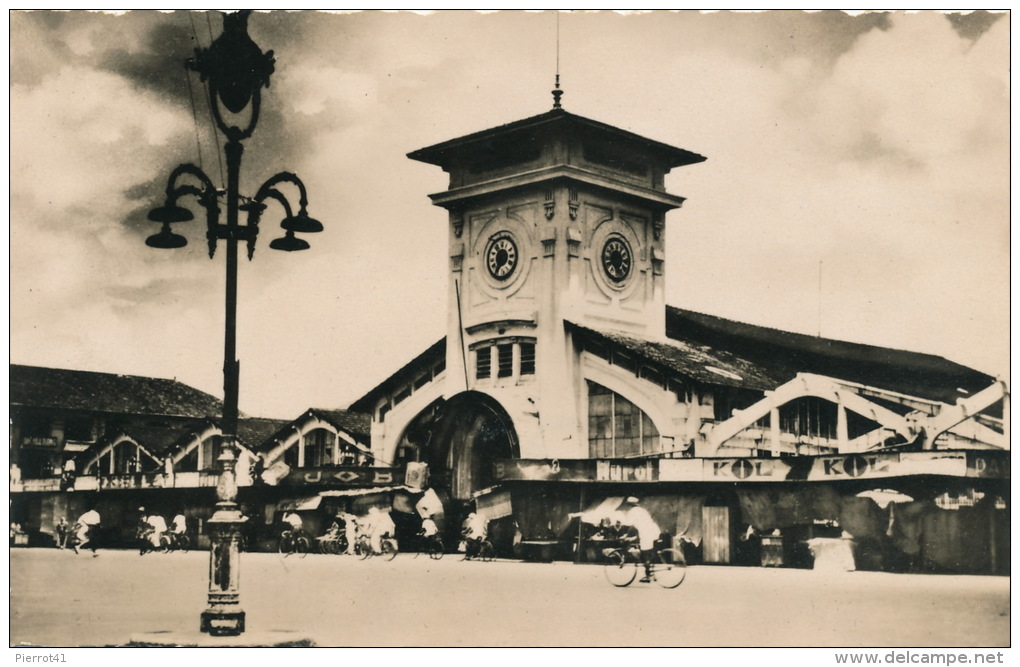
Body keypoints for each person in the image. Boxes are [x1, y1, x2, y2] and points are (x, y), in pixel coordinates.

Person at [623, 497, 660, 582]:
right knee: (649, 552)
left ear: (629, 505)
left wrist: (626, 535)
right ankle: (651, 571)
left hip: (646, 533)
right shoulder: (643, 510)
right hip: (654, 530)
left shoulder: (632, 512)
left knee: (644, 555)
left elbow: (630, 525)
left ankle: (647, 576)